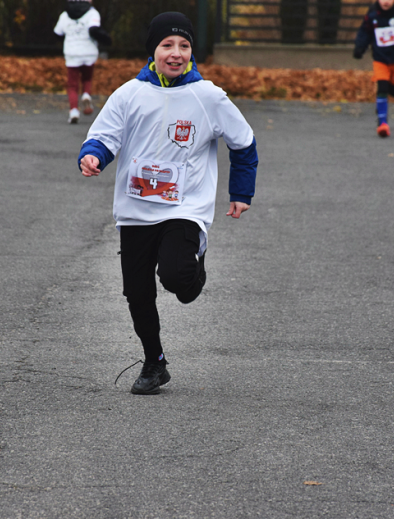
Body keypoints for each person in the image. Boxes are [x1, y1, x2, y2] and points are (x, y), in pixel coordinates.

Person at [77, 12, 258, 395]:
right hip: (135, 209)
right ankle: (154, 362)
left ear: (192, 52)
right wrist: (93, 155)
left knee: (178, 280)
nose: (175, 54)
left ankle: (195, 266)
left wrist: (241, 193)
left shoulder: (208, 96)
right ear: (153, 51)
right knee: (137, 293)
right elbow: (104, 135)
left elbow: (243, 142)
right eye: (167, 46)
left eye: (184, 46)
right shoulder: (129, 93)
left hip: (183, 207)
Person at [354, 0, 394, 138]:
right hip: (380, 59)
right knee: (382, 87)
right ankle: (382, 123)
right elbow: (365, 31)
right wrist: (360, 47)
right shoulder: (372, 15)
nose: (386, 1)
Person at [54, 0, 111, 124]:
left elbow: (58, 33)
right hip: (88, 51)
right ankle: (86, 94)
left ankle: (74, 110)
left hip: (72, 52)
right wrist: (107, 39)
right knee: (87, 78)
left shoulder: (64, 15)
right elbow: (94, 30)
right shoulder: (92, 13)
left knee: (72, 84)